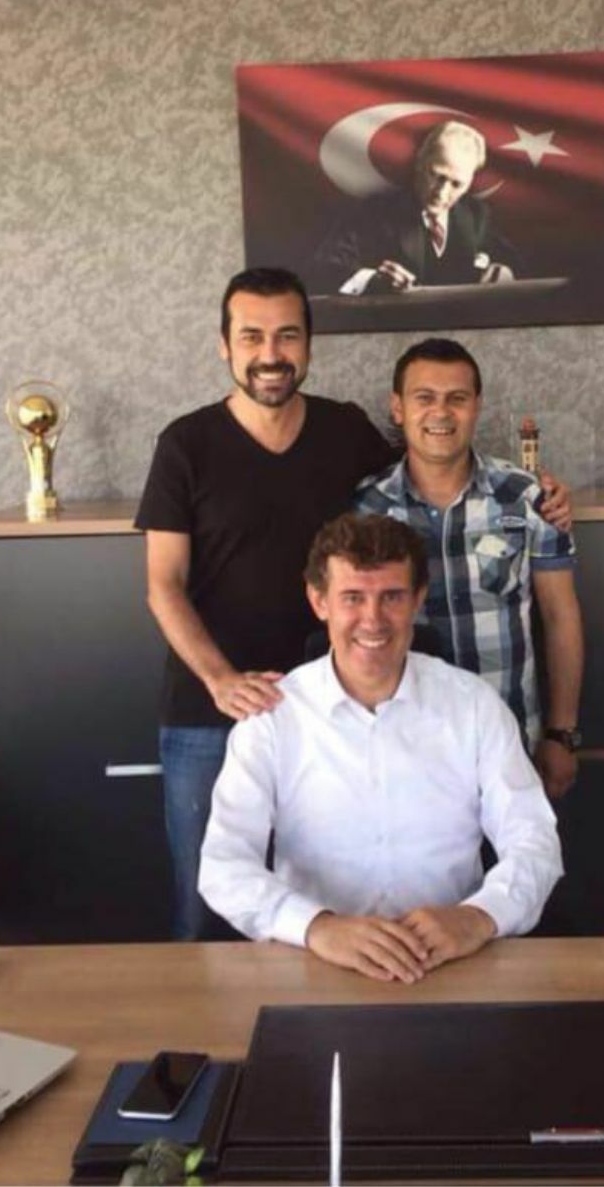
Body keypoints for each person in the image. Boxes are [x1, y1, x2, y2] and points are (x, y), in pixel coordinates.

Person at [134, 268, 395, 939]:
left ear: (309, 343)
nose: (270, 354)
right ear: (224, 345)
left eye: (287, 335)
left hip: (326, 712)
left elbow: (427, 481)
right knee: (205, 913)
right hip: (209, 716)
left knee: (324, 908)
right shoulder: (186, 444)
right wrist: (221, 680)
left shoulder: (346, 430)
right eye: (251, 336)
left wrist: (535, 494)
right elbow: (163, 583)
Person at [199, 513, 562, 983]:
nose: (372, 619)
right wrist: (316, 927)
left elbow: (534, 840)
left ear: (418, 599)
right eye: (353, 597)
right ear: (319, 601)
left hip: (453, 961)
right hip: (314, 965)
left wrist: (479, 916)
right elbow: (223, 865)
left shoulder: (474, 705)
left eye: (391, 596)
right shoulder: (271, 718)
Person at [355, 338, 583, 800]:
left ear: (477, 406)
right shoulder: (365, 509)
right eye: (424, 397)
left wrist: (561, 733)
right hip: (401, 754)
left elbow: (560, 618)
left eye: (456, 398)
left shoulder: (528, 499)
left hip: (508, 745)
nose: (441, 412)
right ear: (398, 408)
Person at [311, 121, 521, 295]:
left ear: (470, 181)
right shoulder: (375, 212)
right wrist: (374, 280)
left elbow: (513, 261)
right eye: (436, 176)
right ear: (420, 162)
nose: (441, 193)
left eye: (456, 184)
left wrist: (505, 272)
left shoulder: (475, 215)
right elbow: (324, 270)